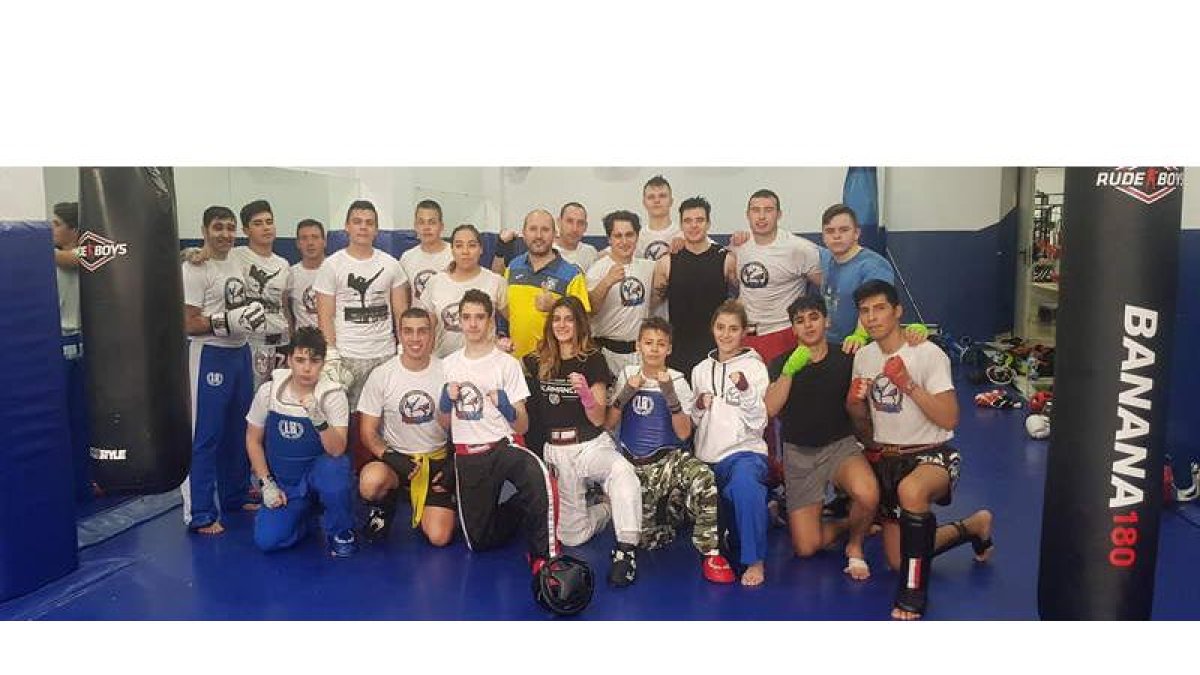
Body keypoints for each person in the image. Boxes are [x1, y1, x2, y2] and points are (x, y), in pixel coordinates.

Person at [846, 279, 994, 620]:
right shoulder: (865, 358)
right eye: (865, 311)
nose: (872, 317)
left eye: (880, 308)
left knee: (911, 490)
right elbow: (863, 425)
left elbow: (950, 417)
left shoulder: (928, 353)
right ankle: (974, 526)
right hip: (888, 458)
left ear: (898, 311)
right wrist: (853, 403)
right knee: (900, 558)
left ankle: (913, 595)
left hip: (933, 454)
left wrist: (908, 384)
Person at [440, 289, 562, 578]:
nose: (472, 324)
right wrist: (446, 402)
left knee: (535, 473)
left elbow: (523, 426)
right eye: (466, 317)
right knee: (479, 542)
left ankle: (543, 556)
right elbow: (444, 424)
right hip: (467, 454)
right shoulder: (448, 365)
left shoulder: (507, 364)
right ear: (458, 320)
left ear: (490, 320)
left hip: (502, 445)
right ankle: (518, 509)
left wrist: (507, 408)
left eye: (479, 317)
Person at [606, 317, 735, 584]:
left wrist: (670, 395)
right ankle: (680, 512)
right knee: (649, 541)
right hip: (632, 464)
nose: (654, 349)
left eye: (660, 344)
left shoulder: (677, 379)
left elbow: (684, 432)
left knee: (703, 477)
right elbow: (609, 422)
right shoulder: (626, 375)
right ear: (637, 346)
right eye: (648, 343)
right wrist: (626, 393)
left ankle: (710, 551)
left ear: (669, 349)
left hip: (667, 460)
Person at [524, 296, 642, 586]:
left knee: (622, 471)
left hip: (590, 444)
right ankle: (605, 508)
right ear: (550, 324)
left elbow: (599, 418)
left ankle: (626, 551)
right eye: (557, 319)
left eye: (569, 319)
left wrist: (586, 395)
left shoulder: (592, 358)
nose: (562, 325)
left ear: (579, 324)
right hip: (556, 450)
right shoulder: (537, 360)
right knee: (572, 537)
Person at [764, 294, 880, 579]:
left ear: (826, 321)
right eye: (800, 321)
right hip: (799, 455)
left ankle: (855, 545)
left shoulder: (846, 357)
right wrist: (790, 370)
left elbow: (886, 355)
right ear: (793, 329)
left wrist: (915, 338)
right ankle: (847, 525)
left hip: (840, 447)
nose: (808, 325)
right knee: (806, 547)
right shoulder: (781, 363)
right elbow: (770, 408)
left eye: (814, 317)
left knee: (868, 494)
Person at [180, 206, 265, 534]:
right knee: (205, 434)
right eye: (218, 227)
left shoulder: (239, 258)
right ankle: (199, 512)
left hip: (240, 352)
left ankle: (235, 494)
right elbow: (188, 321)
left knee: (236, 430)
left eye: (231, 228)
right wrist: (227, 321)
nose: (226, 234)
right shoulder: (193, 268)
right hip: (209, 355)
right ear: (204, 229)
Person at [245, 327, 356, 556]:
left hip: (318, 475)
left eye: (314, 361)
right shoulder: (269, 392)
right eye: (300, 360)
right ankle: (305, 517)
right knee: (267, 540)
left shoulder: (332, 395)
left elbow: (337, 450)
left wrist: (319, 419)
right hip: (287, 485)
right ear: (288, 360)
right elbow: (253, 439)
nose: (306, 368)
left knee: (335, 470)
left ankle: (340, 530)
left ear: (323, 363)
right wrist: (266, 483)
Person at [314, 199, 408, 470]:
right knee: (350, 422)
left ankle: (389, 475)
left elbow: (401, 311)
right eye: (357, 221)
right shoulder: (332, 265)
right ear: (347, 227)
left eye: (369, 223)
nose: (363, 227)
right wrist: (331, 355)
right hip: (348, 356)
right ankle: (354, 477)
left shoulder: (391, 265)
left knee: (386, 418)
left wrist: (402, 348)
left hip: (384, 355)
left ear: (377, 229)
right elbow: (325, 315)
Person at [357, 307, 455, 546]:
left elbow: (464, 426)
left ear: (432, 334)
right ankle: (385, 504)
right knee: (371, 482)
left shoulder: (448, 371)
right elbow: (367, 432)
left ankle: (437, 504)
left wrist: (454, 463)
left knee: (439, 537)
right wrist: (390, 456)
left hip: (436, 461)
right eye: (408, 331)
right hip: (397, 462)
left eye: (422, 331)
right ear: (399, 334)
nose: (415, 338)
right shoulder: (382, 375)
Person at [690, 300, 770, 586]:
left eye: (733, 329)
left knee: (746, 486)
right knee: (723, 537)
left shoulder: (755, 368)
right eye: (721, 327)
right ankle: (729, 536)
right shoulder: (700, 369)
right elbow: (695, 419)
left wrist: (745, 390)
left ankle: (755, 560)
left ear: (744, 332)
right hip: (707, 458)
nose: (726, 335)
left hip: (743, 453)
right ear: (712, 329)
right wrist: (698, 404)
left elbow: (759, 421)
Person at [729, 189, 822, 365]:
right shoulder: (739, 247)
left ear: (779, 215)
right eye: (756, 210)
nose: (761, 216)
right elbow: (740, 286)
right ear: (747, 215)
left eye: (768, 210)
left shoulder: (799, 249)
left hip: (783, 333)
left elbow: (829, 288)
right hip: (745, 336)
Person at [652, 196, 738, 380]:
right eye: (688, 221)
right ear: (681, 225)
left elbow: (746, 297)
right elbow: (652, 304)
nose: (694, 225)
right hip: (678, 351)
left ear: (708, 223)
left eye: (699, 220)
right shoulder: (667, 262)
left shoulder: (726, 259)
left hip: (717, 348)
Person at [51, 201, 94, 502]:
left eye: (55, 223)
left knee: (81, 418)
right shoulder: (52, 257)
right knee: (59, 418)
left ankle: (84, 480)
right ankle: (65, 480)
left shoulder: (85, 253)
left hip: (81, 344)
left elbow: (70, 260)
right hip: (58, 344)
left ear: (73, 229)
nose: (50, 229)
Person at [504, 209, 590, 359]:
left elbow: (583, 323)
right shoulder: (513, 267)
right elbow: (508, 311)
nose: (538, 236)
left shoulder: (572, 275)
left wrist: (555, 306)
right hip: (516, 363)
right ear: (523, 233)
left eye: (545, 230)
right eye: (532, 229)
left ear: (554, 234)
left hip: (554, 364)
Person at [419, 224, 509, 358]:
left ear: (481, 249)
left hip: (485, 362)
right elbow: (427, 328)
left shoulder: (495, 281)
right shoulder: (435, 282)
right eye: (459, 245)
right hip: (445, 362)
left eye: (472, 245)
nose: (465, 251)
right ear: (452, 250)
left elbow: (515, 319)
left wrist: (505, 342)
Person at [586, 210, 657, 376]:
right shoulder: (597, 270)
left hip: (639, 352)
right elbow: (591, 310)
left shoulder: (648, 267)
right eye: (618, 236)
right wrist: (606, 282)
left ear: (637, 237)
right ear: (609, 239)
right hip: (606, 351)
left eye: (629, 235)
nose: (624, 241)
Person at [817, 204, 896, 348]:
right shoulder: (825, 258)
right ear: (823, 235)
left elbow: (876, 308)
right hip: (829, 345)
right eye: (829, 231)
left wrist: (859, 335)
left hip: (862, 347)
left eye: (844, 230)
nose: (836, 236)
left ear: (856, 233)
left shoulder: (874, 266)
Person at [234, 200, 293, 388]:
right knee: (252, 399)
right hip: (251, 342)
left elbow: (284, 306)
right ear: (245, 230)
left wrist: (291, 340)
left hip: (281, 341)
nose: (266, 228)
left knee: (279, 396)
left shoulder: (283, 264)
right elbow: (208, 255)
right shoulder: (236, 256)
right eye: (258, 223)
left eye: (269, 222)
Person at [400, 199, 453, 304]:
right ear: (415, 226)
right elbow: (404, 296)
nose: (426, 227)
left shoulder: (454, 255)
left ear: (441, 226)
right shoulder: (407, 258)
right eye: (421, 222)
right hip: (418, 319)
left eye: (432, 222)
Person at [287, 218, 327, 332]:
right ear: (298, 244)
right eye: (304, 238)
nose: (310, 243)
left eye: (315, 237)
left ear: (324, 242)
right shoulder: (290, 273)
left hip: (334, 340)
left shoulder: (336, 270)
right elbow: (285, 310)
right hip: (303, 342)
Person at [636, 175, 679, 262]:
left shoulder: (683, 234)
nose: (657, 200)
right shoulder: (637, 237)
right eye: (651, 197)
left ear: (671, 201)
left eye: (662, 196)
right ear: (644, 203)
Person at [554, 202, 598, 273]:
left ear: (585, 227)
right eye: (569, 221)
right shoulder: (548, 253)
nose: (575, 229)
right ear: (559, 222)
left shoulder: (590, 252)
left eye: (580, 223)